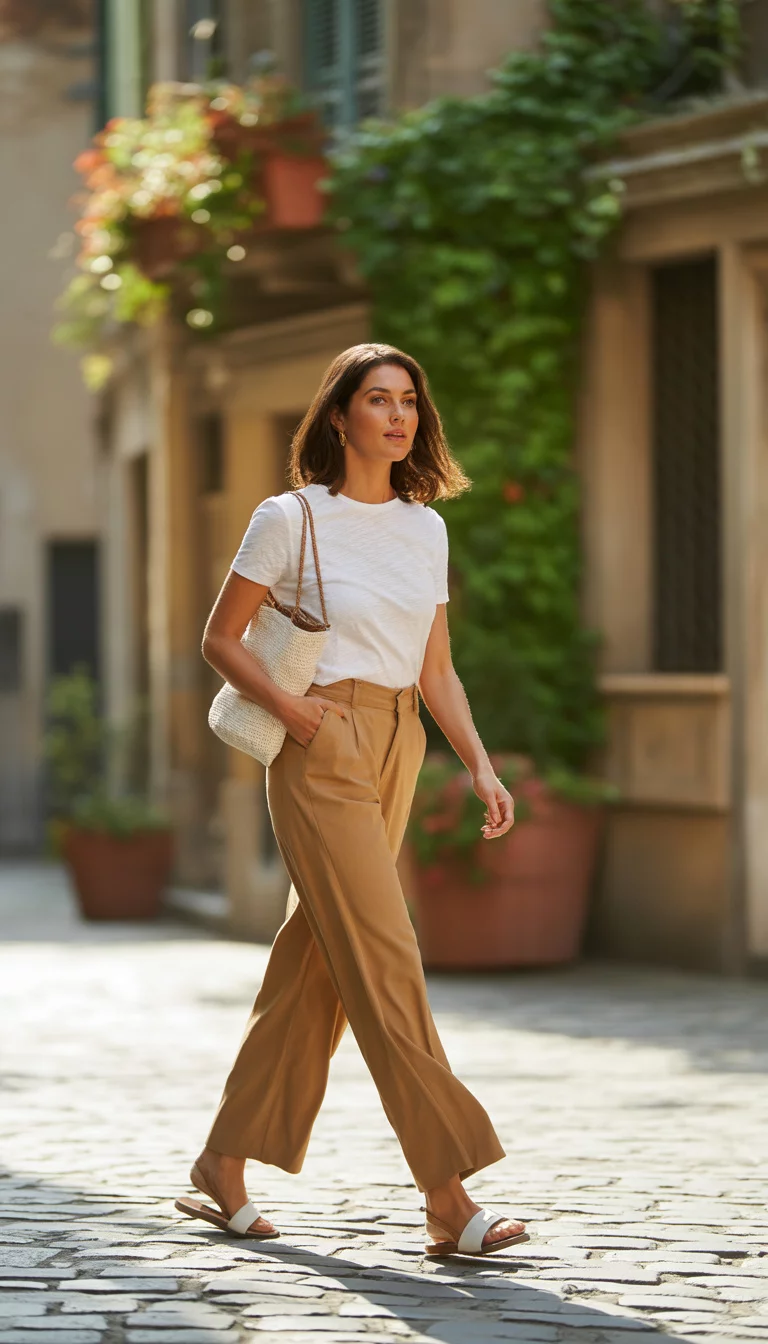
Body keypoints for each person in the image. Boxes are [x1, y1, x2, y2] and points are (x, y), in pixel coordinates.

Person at [175, 343, 528, 1259]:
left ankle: (221, 1163)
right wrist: (292, 710)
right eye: (378, 400)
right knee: (383, 948)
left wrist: (480, 764)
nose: (398, 416)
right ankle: (447, 1193)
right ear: (340, 417)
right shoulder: (289, 518)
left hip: (400, 740)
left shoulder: (425, 529)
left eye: (409, 400)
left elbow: (436, 666)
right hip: (320, 742)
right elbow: (221, 637)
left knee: (322, 958)